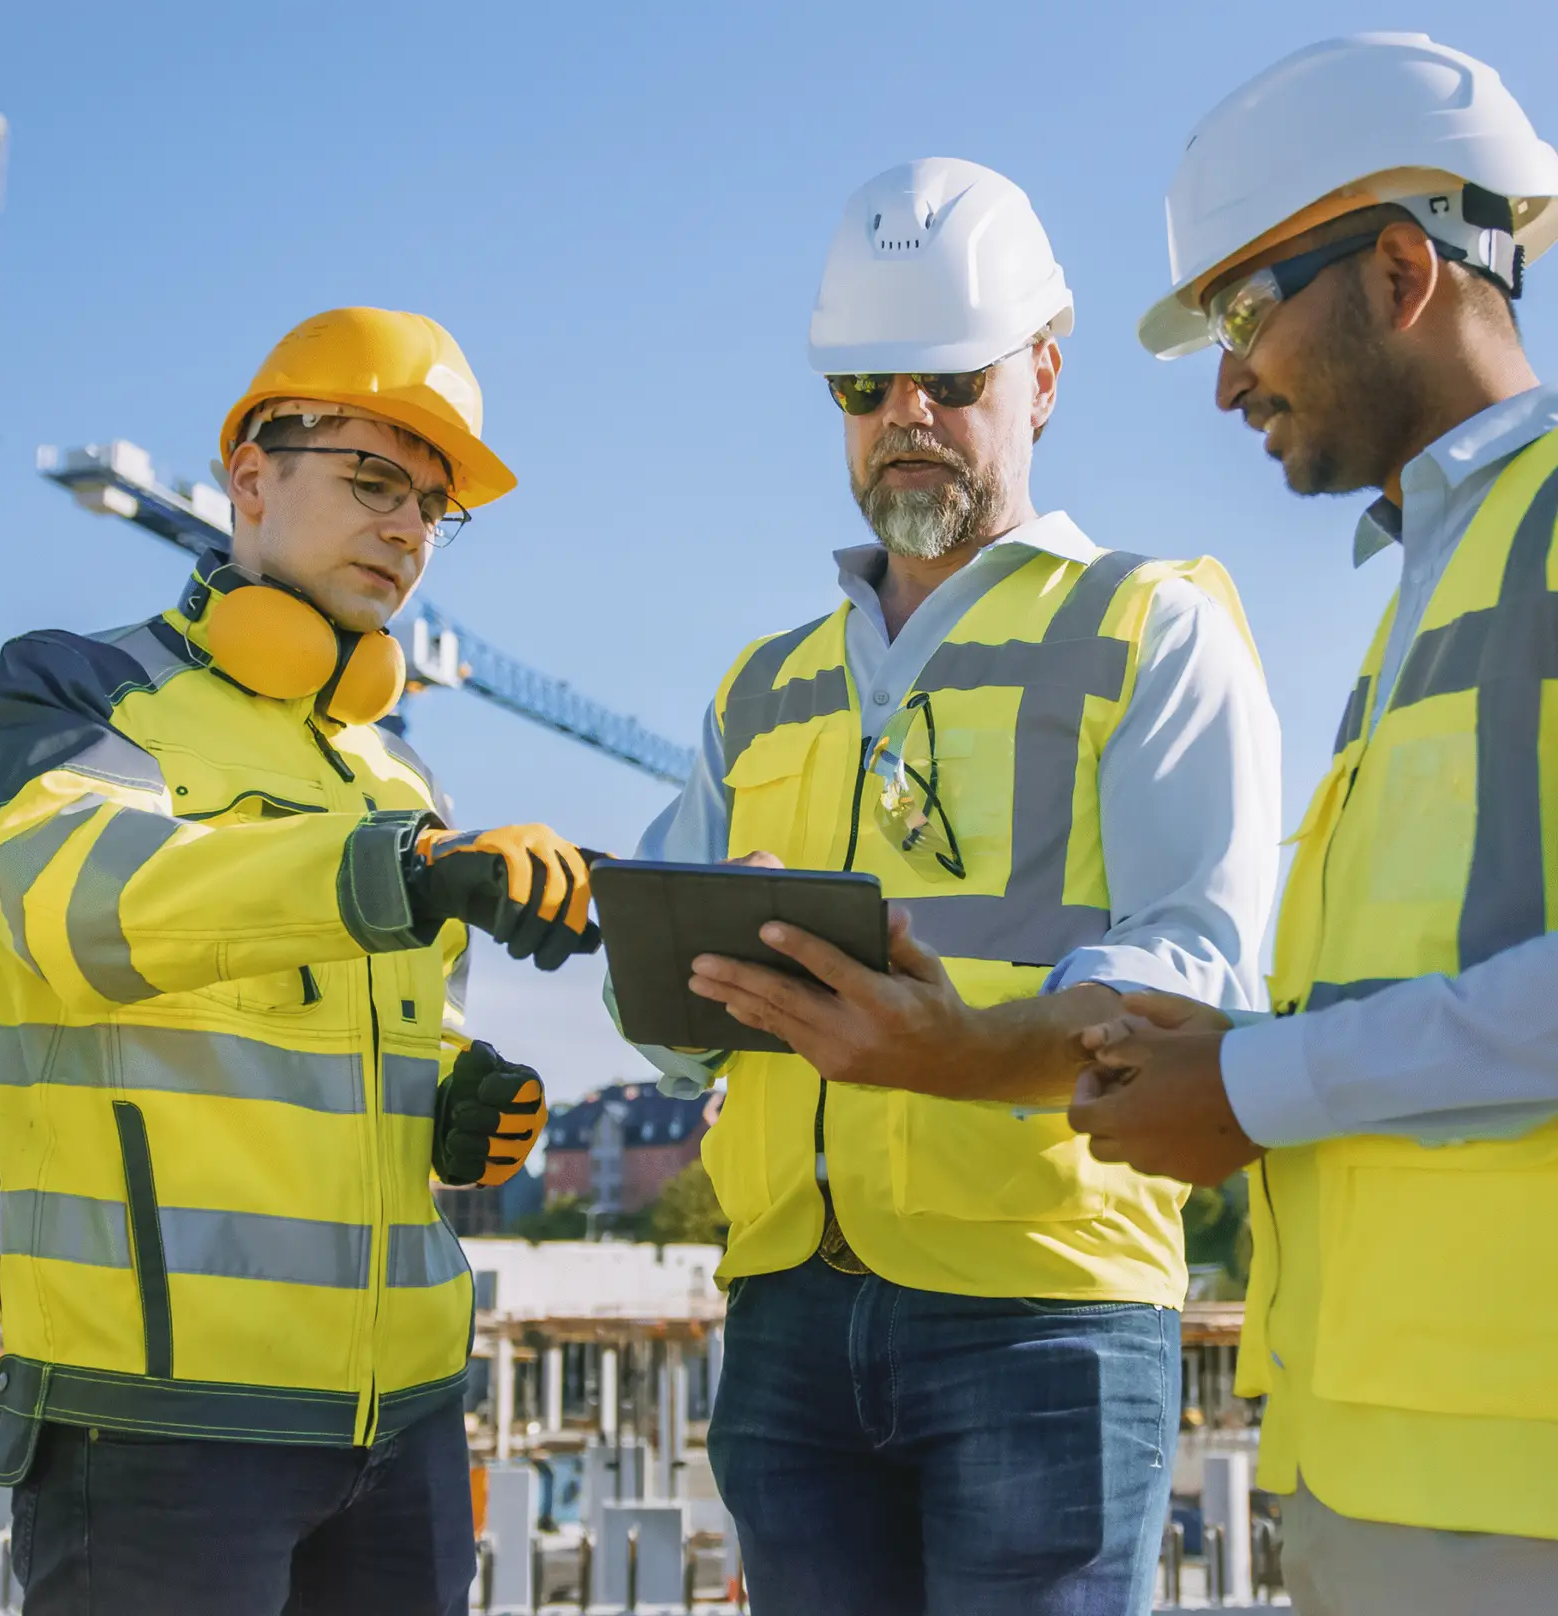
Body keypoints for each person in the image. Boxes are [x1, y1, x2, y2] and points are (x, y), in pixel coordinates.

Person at [619, 158, 1281, 1615]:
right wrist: (693, 960)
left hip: (1042, 1307)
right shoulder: (763, 685)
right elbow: (670, 1034)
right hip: (790, 1309)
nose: (903, 417)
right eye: (864, 386)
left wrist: (962, 1048)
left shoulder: (1147, 634)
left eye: (946, 375)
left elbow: (1199, 981)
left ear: (1043, 375)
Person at [0, 306, 598, 1616]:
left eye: (433, 506)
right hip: (158, 1429)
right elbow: (87, 910)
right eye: (375, 481)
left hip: (402, 1424)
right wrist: (398, 871)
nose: (409, 528)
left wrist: (457, 1097)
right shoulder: (76, 694)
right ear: (250, 475)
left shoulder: (392, 768)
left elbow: (380, 1043)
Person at [1072, 33, 1558, 1616]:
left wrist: (1254, 1083)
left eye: (1238, 314)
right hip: (1383, 1476)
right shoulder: (1437, 576)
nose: (1224, 380)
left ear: (1403, 269)